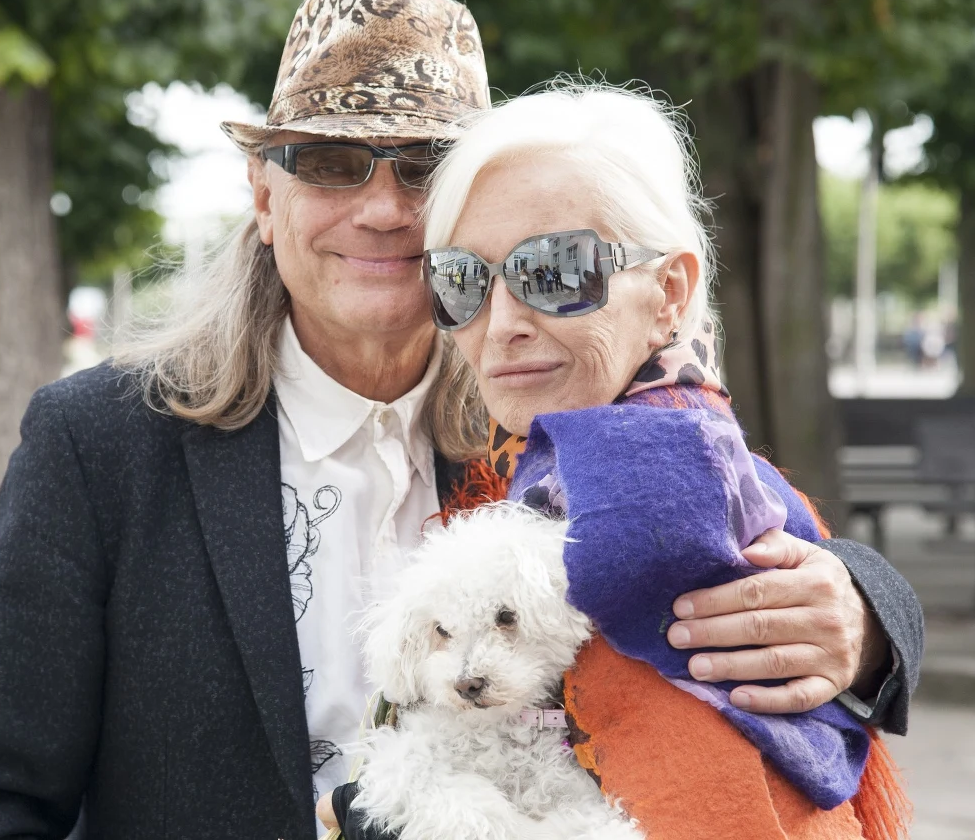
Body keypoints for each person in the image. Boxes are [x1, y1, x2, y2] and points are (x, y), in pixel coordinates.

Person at [0, 0, 922, 840]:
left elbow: (730, 514)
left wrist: (866, 622)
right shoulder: (105, 442)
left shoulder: (543, 405)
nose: (386, 208)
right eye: (330, 163)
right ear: (264, 197)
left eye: (424, 165)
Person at [327, 84, 921, 839]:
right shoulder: (532, 444)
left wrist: (869, 619)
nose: (501, 324)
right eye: (462, 279)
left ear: (669, 291)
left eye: (556, 270)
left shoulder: (667, 469)